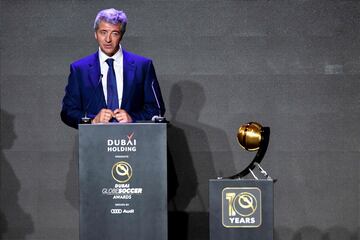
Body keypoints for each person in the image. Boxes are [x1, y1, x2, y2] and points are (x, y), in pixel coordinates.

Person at [61, 8, 165, 129]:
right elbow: (67, 112)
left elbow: (156, 109)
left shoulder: (142, 66)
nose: (108, 39)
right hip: (95, 142)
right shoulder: (79, 69)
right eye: (103, 32)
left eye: (114, 33)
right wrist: (92, 120)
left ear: (121, 35)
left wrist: (133, 118)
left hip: (133, 141)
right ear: (95, 34)